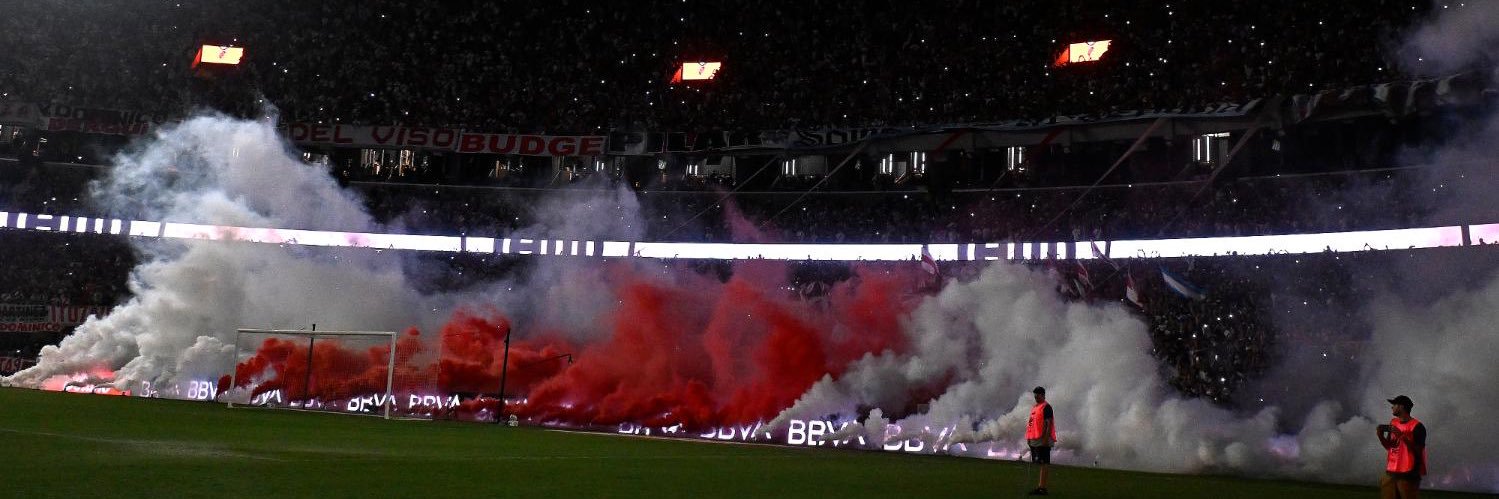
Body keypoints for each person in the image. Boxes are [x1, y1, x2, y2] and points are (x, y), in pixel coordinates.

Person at [1376, 395, 1426, 499]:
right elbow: (1389, 446)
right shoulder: (1393, 422)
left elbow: (1419, 451)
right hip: (1390, 473)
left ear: (1402, 407)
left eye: (1394, 404)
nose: (1392, 407)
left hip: (1408, 474)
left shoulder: (1417, 426)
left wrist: (1402, 436)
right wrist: (1380, 435)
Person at [1026, 386, 1056, 496]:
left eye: (1038, 395)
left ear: (1043, 395)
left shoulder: (1046, 407)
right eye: (1035, 396)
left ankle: (1042, 487)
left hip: (1042, 440)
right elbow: (1031, 424)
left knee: (1044, 462)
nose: (1036, 397)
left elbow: (1049, 424)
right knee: (1039, 462)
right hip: (1034, 439)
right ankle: (1040, 486)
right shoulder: (1035, 407)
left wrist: (1045, 439)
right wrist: (1029, 437)